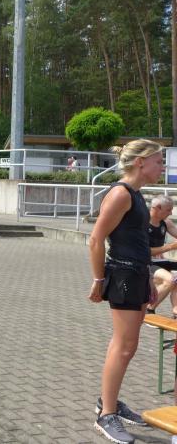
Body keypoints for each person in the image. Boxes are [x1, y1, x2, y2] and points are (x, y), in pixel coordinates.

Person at [88, 139, 164, 444]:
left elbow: (140, 242)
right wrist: (98, 280)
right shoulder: (120, 193)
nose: (162, 167)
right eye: (159, 162)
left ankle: (108, 401)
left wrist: (149, 279)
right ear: (140, 163)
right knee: (124, 346)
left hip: (136, 275)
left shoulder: (136, 194)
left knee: (124, 345)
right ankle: (106, 415)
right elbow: (96, 239)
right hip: (122, 276)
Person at [146, 195, 177, 316]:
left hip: (158, 262)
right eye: (168, 210)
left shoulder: (166, 223)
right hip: (144, 262)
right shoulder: (142, 223)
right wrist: (170, 247)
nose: (171, 213)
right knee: (171, 279)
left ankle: (176, 312)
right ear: (158, 207)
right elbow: (144, 251)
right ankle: (149, 309)